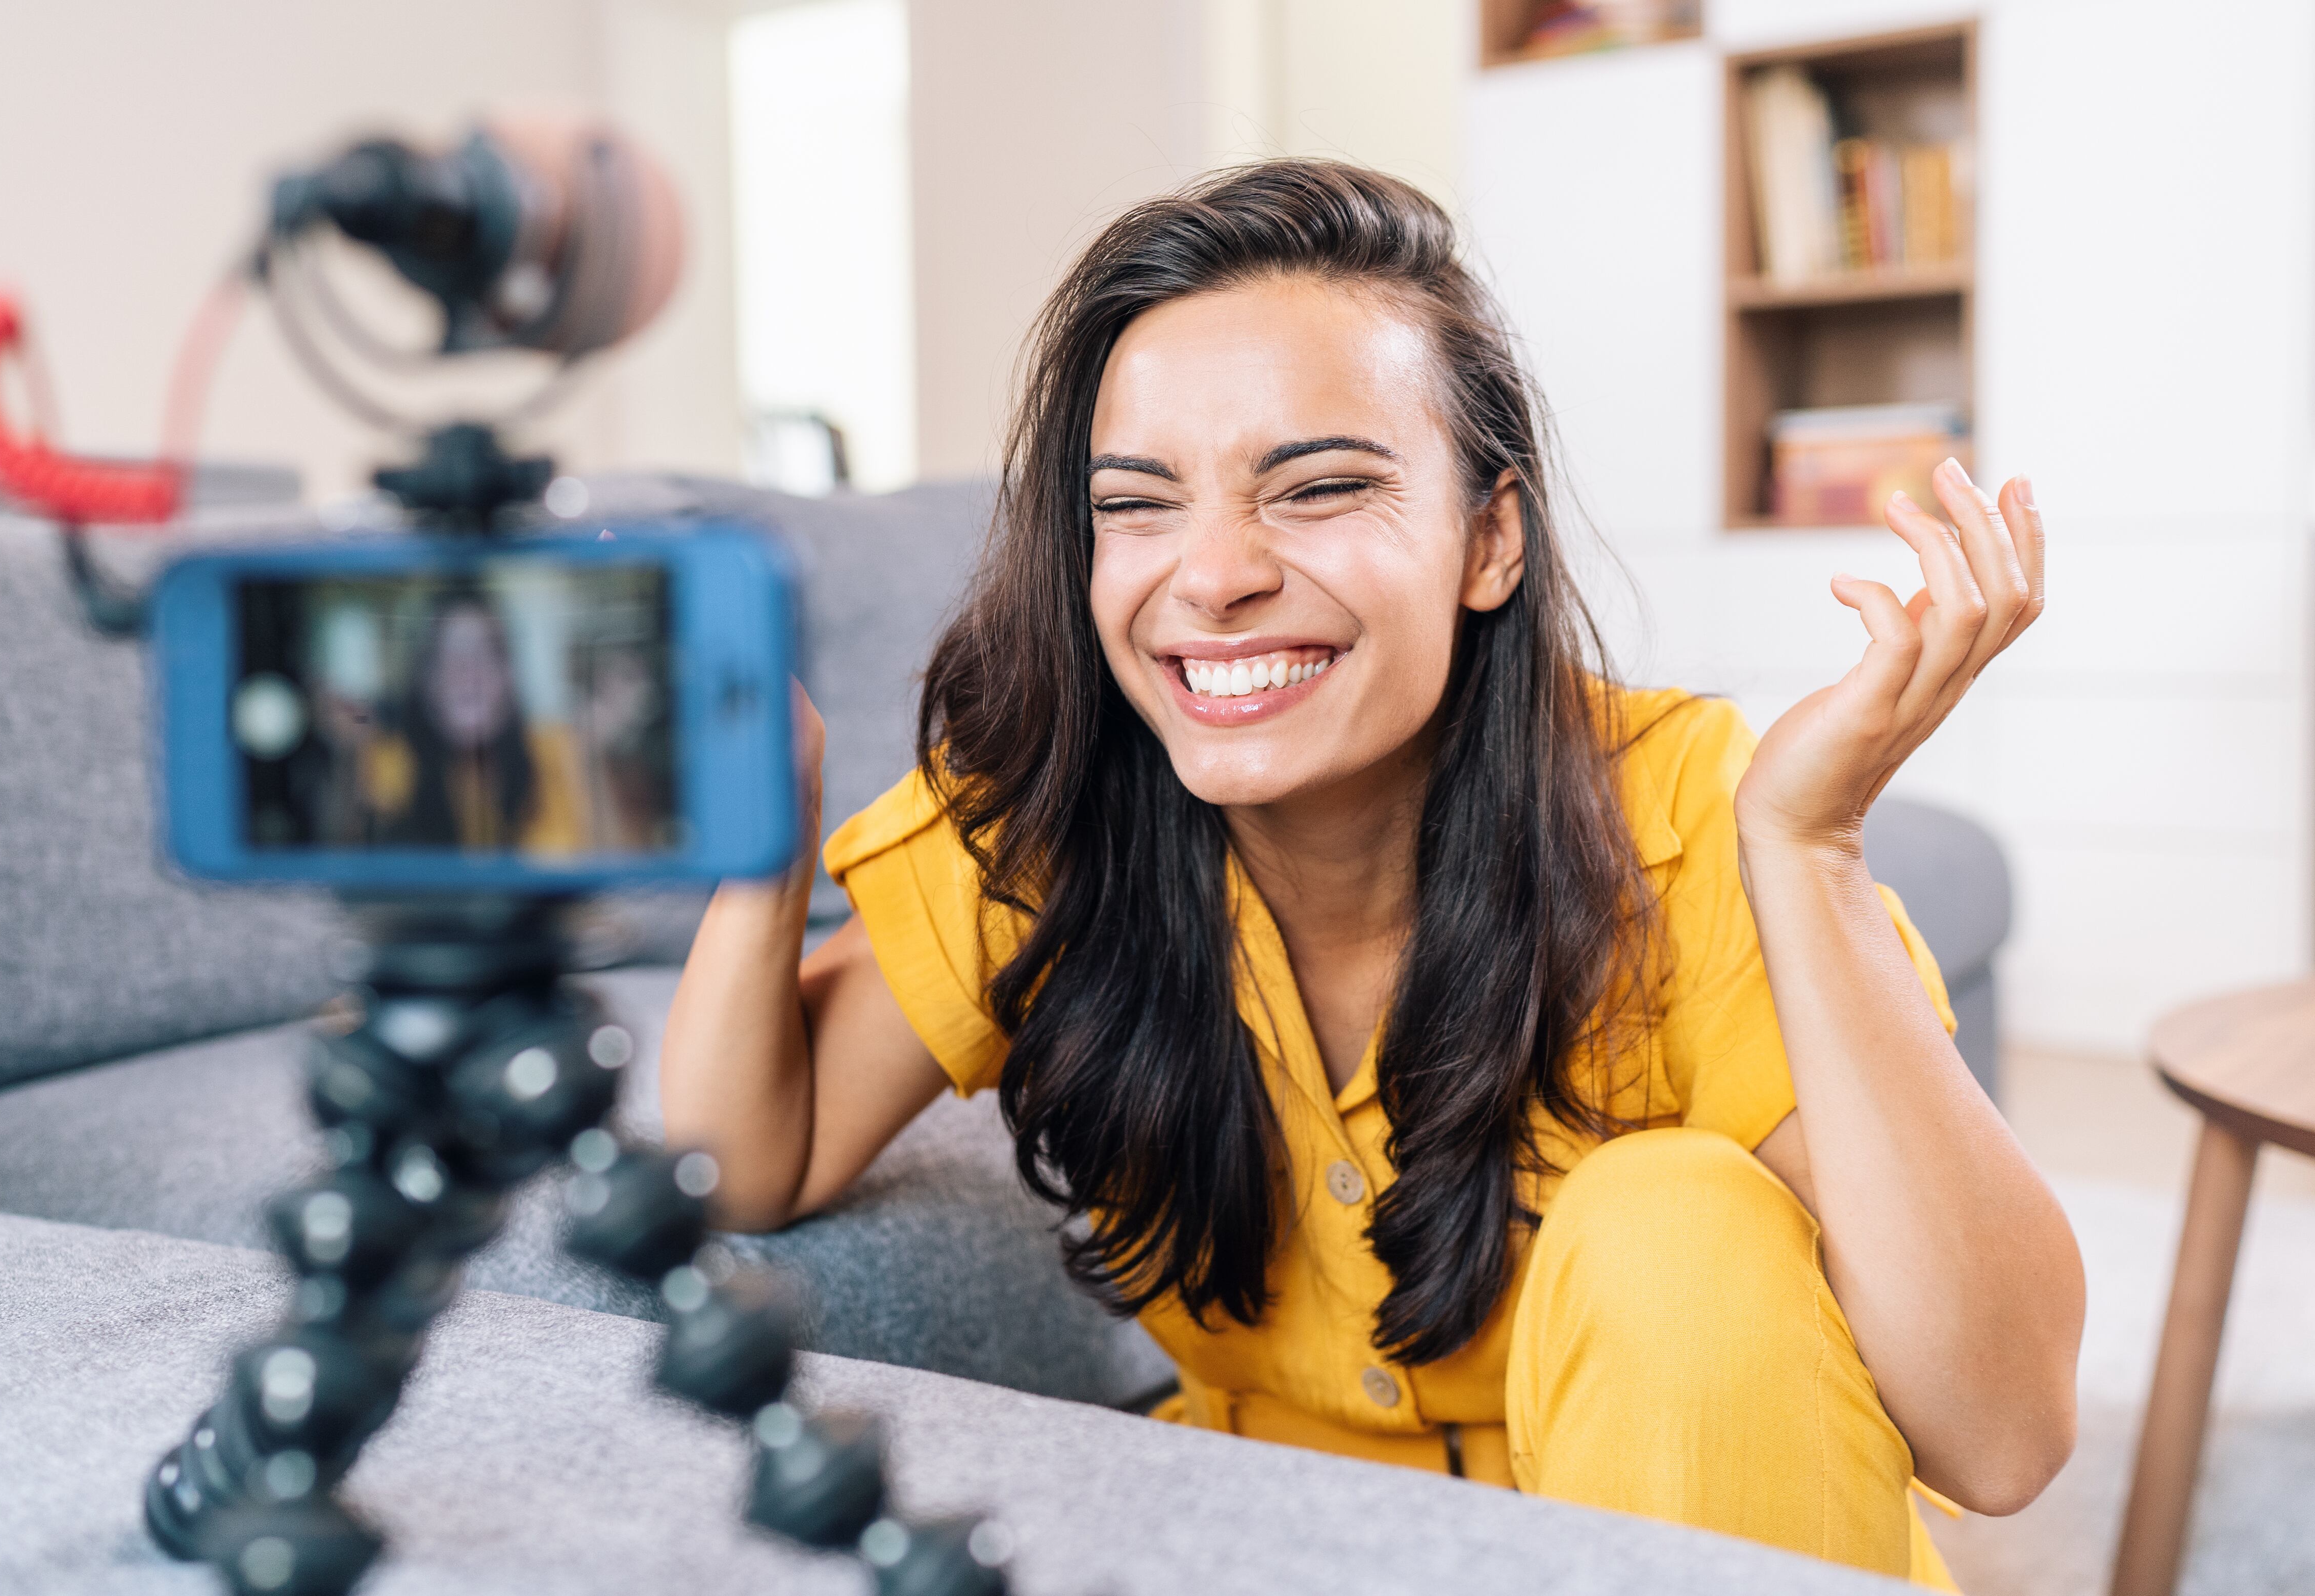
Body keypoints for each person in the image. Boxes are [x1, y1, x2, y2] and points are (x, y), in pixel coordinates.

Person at [661, 162, 2078, 1588]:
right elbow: (736, 1167)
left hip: (1669, 1545)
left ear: (1490, 538)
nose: (1212, 576)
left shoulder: (1674, 813)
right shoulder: (1047, 819)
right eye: (1138, 504)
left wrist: (1811, 849)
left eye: (1321, 487)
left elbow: (2003, 1434)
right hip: (1293, 1552)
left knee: (1674, 1225)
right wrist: (759, 831)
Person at [374, 590, 584, 854]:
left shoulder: (555, 753)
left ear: (508, 675)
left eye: (486, 653)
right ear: (427, 679)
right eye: (451, 654)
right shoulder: (388, 764)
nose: (470, 673)